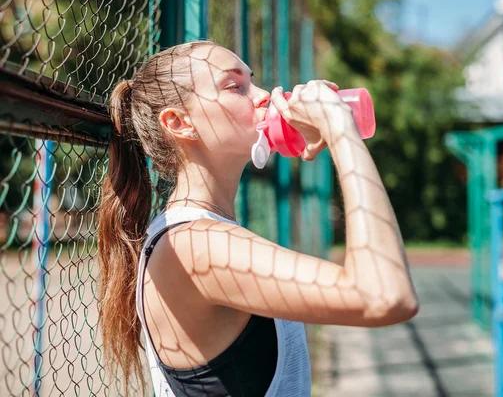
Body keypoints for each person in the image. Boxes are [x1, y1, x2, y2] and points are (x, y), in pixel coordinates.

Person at [97, 41, 419, 397]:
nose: (265, 94)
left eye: (254, 81)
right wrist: (341, 131)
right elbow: (385, 295)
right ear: (180, 123)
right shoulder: (194, 245)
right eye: (236, 86)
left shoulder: (208, 233)